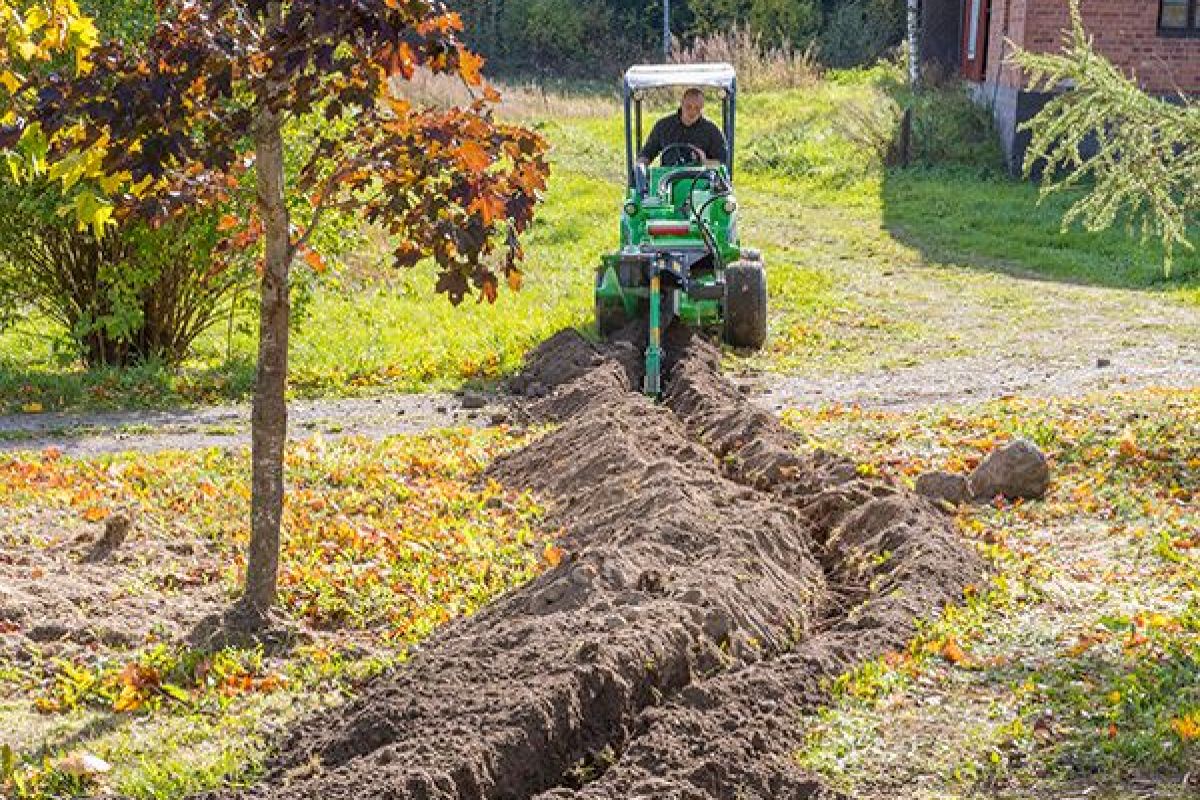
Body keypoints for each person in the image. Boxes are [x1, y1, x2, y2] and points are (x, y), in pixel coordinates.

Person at [638, 87, 728, 168]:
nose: (692, 112)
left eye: (697, 108)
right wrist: (640, 167)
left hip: (700, 180)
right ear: (681, 104)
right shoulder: (663, 126)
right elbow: (646, 154)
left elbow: (722, 162)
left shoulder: (711, 131)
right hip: (667, 180)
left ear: (702, 108)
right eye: (688, 107)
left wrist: (704, 161)